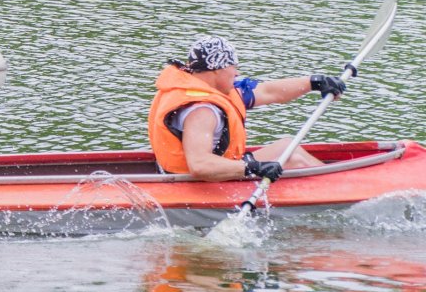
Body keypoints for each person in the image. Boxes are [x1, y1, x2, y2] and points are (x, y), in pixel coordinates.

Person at [147, 35, 347, 182]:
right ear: (217, 69)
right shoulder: (202, 111)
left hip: (215, 169)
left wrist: (314, 82)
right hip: (192, 184)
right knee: (296, 162)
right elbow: (199, 165)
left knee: (287, 146)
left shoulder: (214, 88)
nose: (237, 72)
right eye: (233, 66)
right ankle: (340, 191)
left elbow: (270, 92)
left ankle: (340, 184)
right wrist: (252, 168)